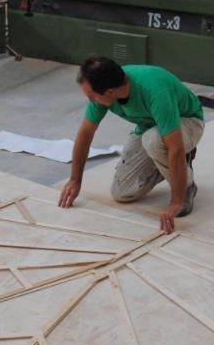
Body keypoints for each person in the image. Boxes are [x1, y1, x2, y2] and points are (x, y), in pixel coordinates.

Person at [58, 57, 204, 234]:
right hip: (150, 128)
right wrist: (75, 179)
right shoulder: (104, 88)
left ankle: (186, 184)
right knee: (122, 192)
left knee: (153, 141)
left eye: (91, 97)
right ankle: (169, 166)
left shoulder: (155, 90)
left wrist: (176, 202)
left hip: (187, 122)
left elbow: (176, 148)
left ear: (110, 92)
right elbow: (85, 134)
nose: (91, 101)